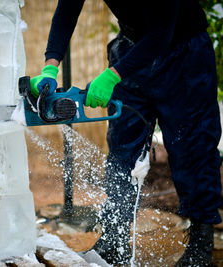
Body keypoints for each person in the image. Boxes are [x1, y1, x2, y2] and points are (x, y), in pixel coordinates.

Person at [30, 0, 222, 266]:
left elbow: (160, 34)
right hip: (133, 49)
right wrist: (50, 66)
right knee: (122, 149)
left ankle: (201, 243)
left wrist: (112, 75)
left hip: (183, 54)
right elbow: (66, 12)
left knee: (193, 147)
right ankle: (114, 239)